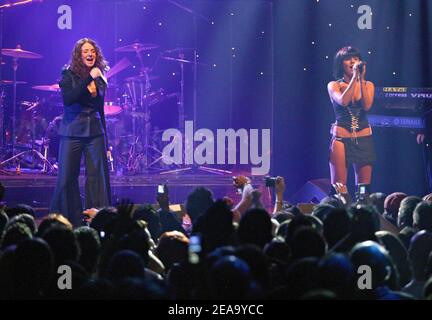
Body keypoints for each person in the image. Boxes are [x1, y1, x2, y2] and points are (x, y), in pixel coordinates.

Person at [50, 38, 111, 226]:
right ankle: (67, 220)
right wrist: (89, 79)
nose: (90, 54)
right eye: (85, 51)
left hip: (95, 131)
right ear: (79, 54)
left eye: (92, 50)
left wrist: (106, 142)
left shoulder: (99, 76)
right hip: (72, 131)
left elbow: (100, 109)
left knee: (96, 177)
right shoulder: (68, 74)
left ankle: (97, 220)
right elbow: (69, 99)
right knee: (67, 176)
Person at [327, 46, 375, 199]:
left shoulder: (368, 85)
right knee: (339, 188)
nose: (353, 61)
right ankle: (340, 219)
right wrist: (354, 78)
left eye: (356, 58)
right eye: (348, 58)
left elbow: (367, 105)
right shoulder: (334, 85)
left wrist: (360, 79)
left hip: (364, 138)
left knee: (363, 189)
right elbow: (343, 100)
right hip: (342, 139)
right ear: (341, 63)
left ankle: (362, 217)